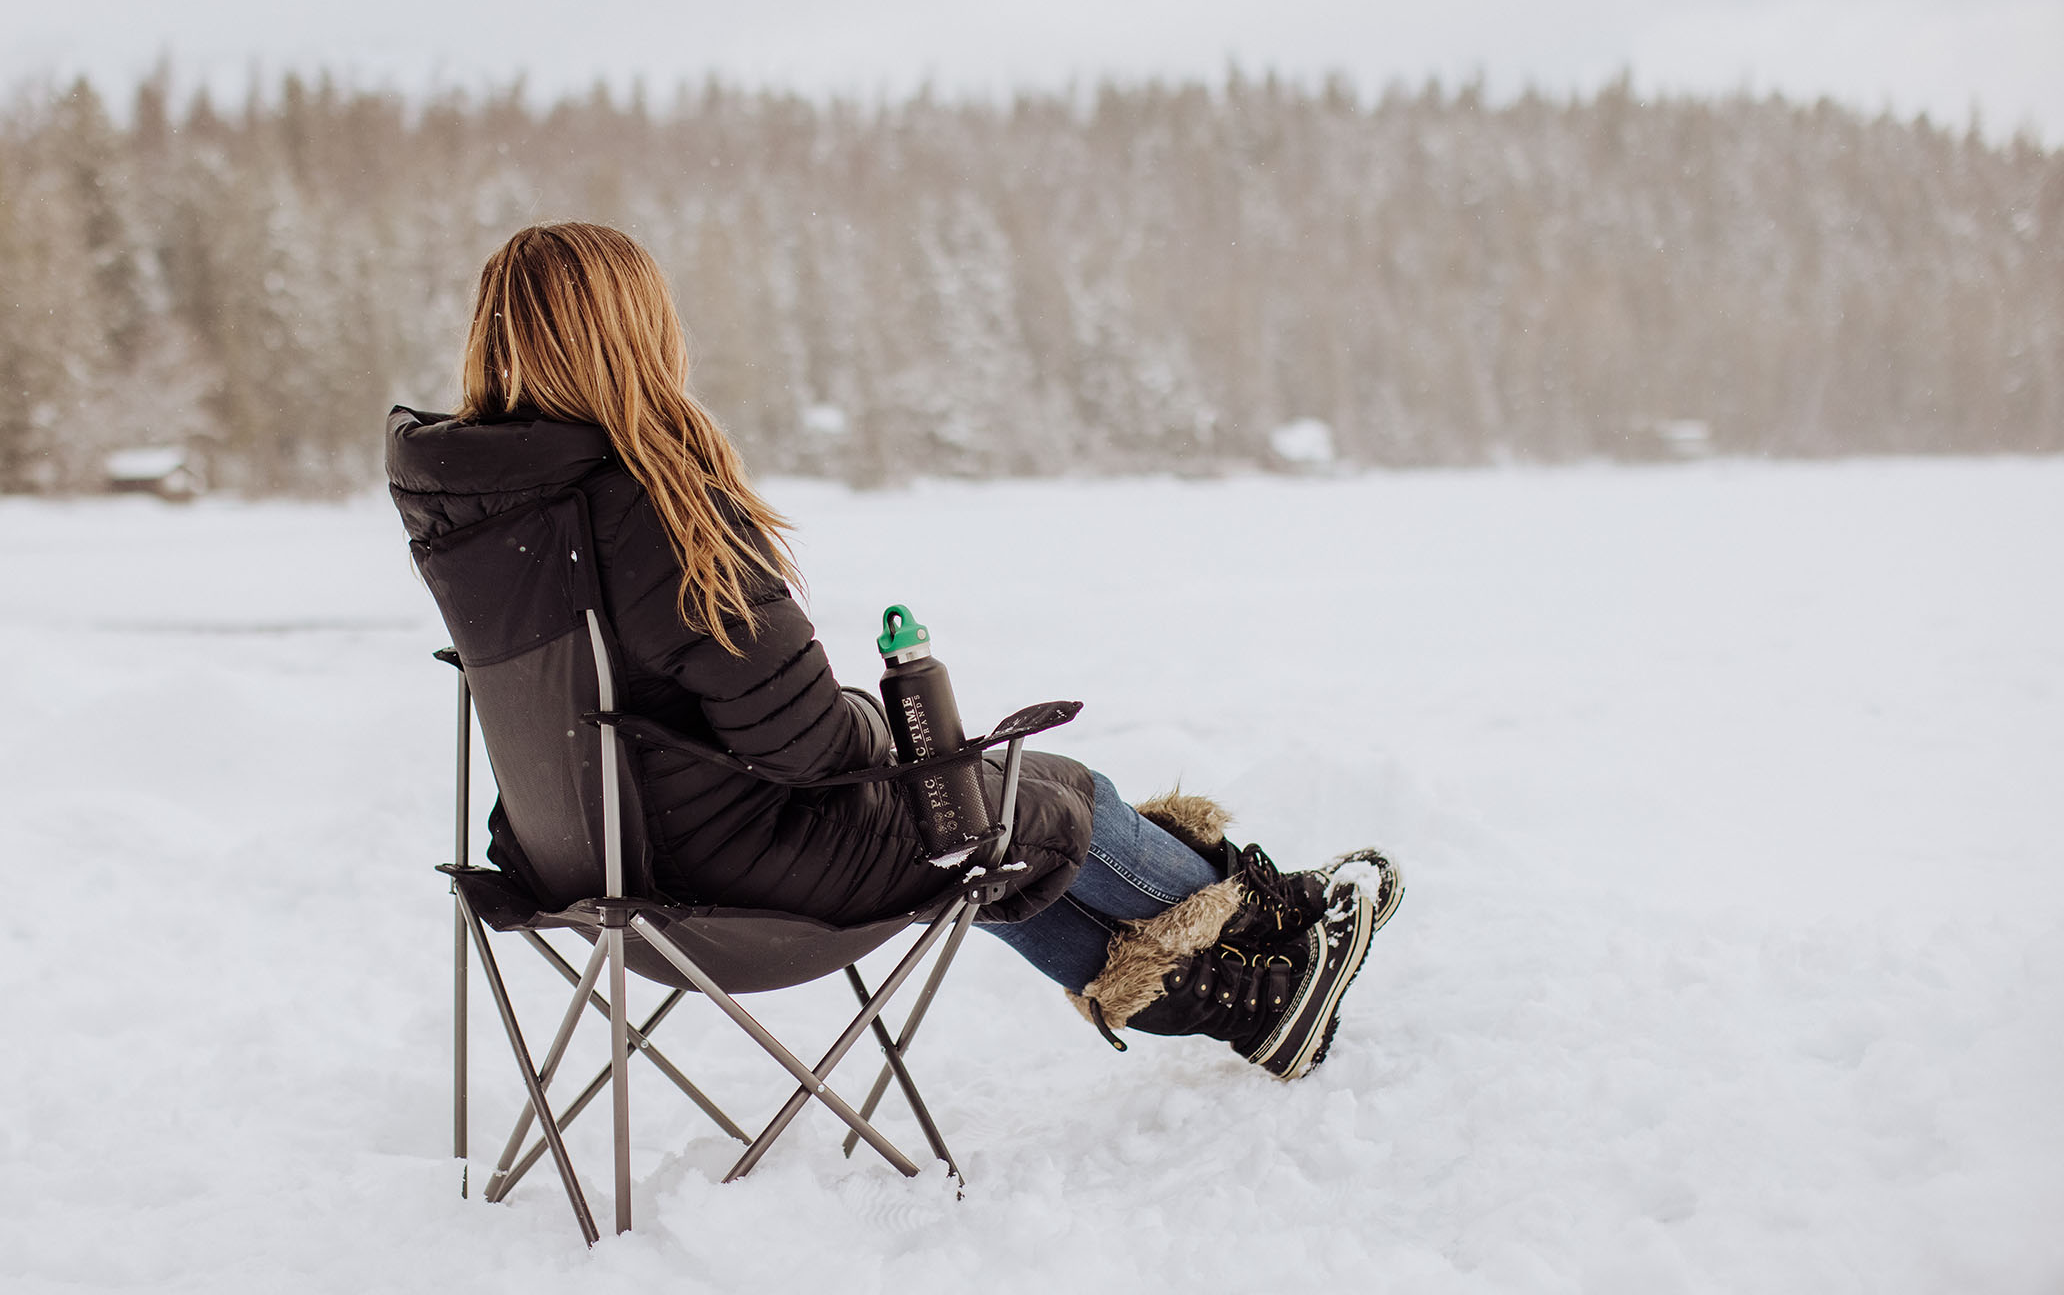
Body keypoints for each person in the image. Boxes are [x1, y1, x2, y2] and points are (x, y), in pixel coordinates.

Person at [386, 222, 1399, 1078]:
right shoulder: (646, 506)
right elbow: (811, 750)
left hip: (591, 863)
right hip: (731, 876)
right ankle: (1250, 973)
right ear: (638, 335)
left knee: (997, 798)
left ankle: (1260, 958)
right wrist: (905, 733)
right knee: (1040, 805)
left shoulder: (481, 513)